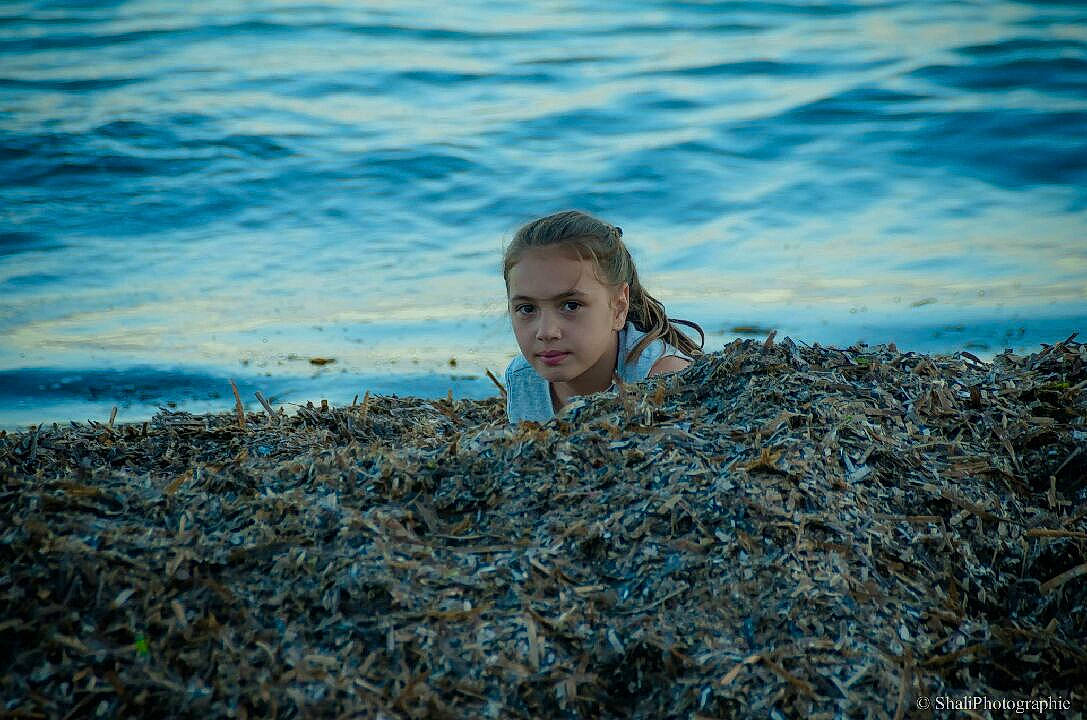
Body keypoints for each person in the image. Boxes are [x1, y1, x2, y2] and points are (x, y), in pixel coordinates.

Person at [502, 210, 704, 424]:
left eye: (571, 306)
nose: (546, 332)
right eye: (526, 309)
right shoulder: (523, 378)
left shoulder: (665, 380)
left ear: (618, 307)